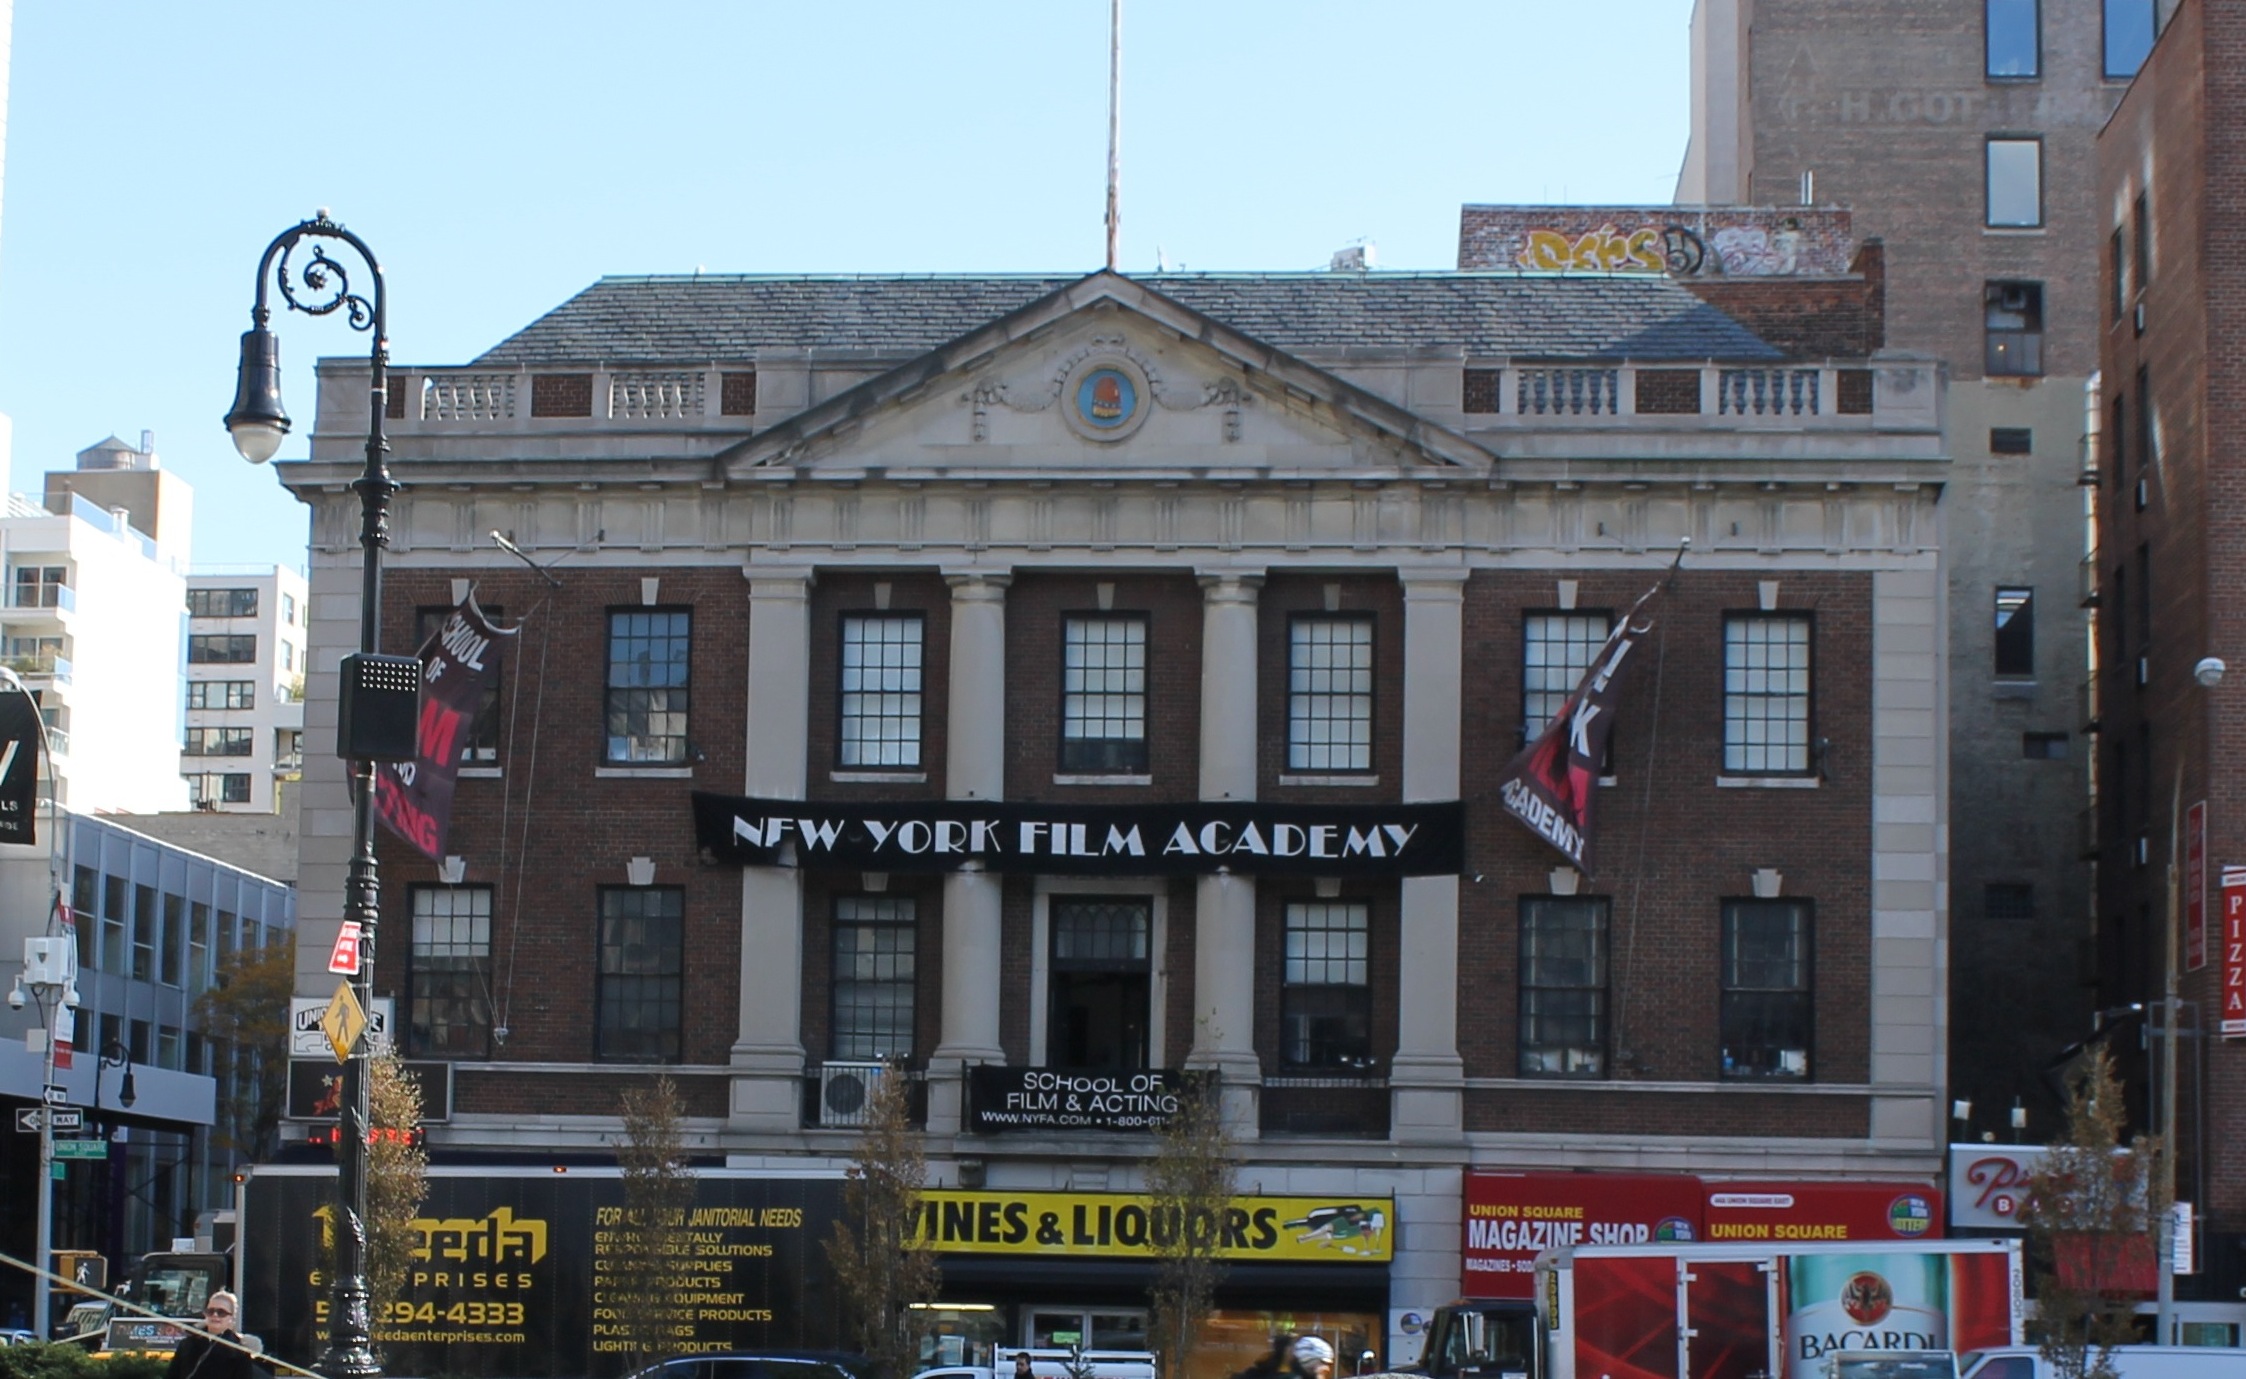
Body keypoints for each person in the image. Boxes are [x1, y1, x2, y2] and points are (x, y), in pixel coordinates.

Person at [163, 1291, 260, 1379]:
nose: (215, 1315)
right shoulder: (187, 1344)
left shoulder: (240, 1351)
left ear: (232, 1318)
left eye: (221, 1312)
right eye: (210, 1311)